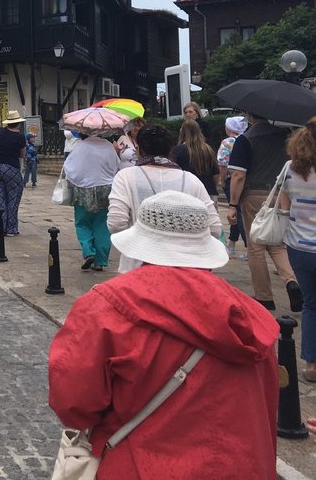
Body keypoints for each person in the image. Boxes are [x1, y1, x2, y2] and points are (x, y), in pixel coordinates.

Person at [49, 190, 279, 480]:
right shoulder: (251, 318)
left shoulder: (106, 308)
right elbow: (266, 412)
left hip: (139, 466)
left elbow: (74, 405)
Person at [108, 124, 221, 273]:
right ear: (169, 151)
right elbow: (215, 229)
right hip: (186, 268)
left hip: (137, 266)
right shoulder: (191, 180)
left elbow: (116, 224)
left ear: (139, 150)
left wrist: (137, 241)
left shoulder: (125, 177)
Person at [227, 110, 301, 311]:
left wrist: (233, 204)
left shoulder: (246, 139)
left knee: (256, 245)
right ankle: (290, 281)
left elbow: (238, 175)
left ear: (250, 115)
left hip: (255, 194)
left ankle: (264, 296)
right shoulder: (285, 136)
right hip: (282, 194)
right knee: (278, 244)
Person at [280, 117, 316, 382]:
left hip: (299, 246)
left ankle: (311, 364)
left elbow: (283, 205)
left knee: (311, 306)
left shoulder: (290, 168)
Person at [63, 132, 120, 271]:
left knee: (83, 222)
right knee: (102, 225)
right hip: (106, 189)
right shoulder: (107, 145)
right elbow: (116, 165)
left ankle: (88, 251)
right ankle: (100, 261)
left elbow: (69, 168)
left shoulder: (80, 146)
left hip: (84, 189)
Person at [217, 115, 249, 257]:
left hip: (232, 179)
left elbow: (223, 164)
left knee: (236, 213)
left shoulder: (227, 142)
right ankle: (232, 243)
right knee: (239, 212)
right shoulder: (246, 140)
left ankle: (248, 247)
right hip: (246, 180)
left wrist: (222, 180)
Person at [170, 119, 219, 199]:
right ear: (199, 131)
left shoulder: (177, 150)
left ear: (182, 132)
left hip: (186, 193)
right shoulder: (208, 149)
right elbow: (216, 173)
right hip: (208, 191)